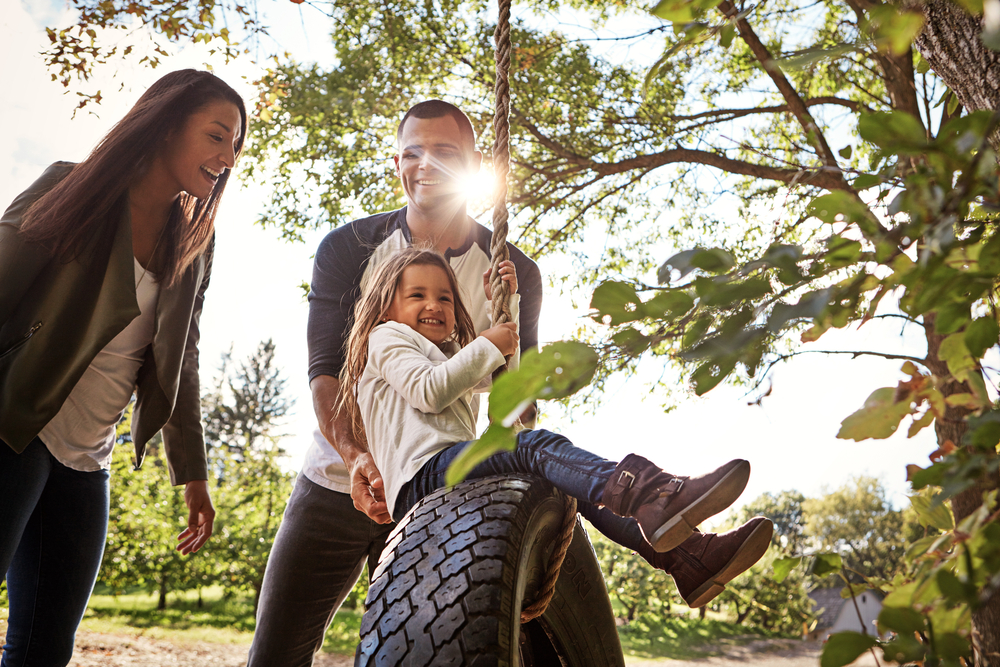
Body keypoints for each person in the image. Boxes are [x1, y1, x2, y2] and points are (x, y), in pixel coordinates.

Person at [247, 100, 545, 667]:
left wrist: (507, 340)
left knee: (425, 655)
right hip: (337, 477)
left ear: (475, 163)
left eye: (444, 152)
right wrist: (357, 456)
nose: (425, 164)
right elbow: (327, 372)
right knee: (275, 654)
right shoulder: (348, 248)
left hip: (436, 491)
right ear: (397, 161)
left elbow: (519, 402)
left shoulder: (513, 271)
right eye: (412, 152)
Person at [338, 247, 774, 602]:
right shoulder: (386, 338)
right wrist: (488, 343)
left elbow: (507, 381)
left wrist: (505, 303)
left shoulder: (446, 354)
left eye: (446, 297)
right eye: (417, 295)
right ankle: (651, 493)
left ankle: (687, 559)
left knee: (564, 477)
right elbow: (430, 390)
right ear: (386, 306)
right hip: (422, 478)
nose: (434, 304)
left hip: (446, 474)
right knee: (530, 446)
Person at [0, 69, 247, 667]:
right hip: (16, 429)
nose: (228, 156)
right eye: (217, 136)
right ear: (165, 122)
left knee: (43, 649)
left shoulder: (194, 241)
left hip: (88, 461)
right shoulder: (72, 187)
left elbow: (180, 355)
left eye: (237, 146)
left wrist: (193, 472)